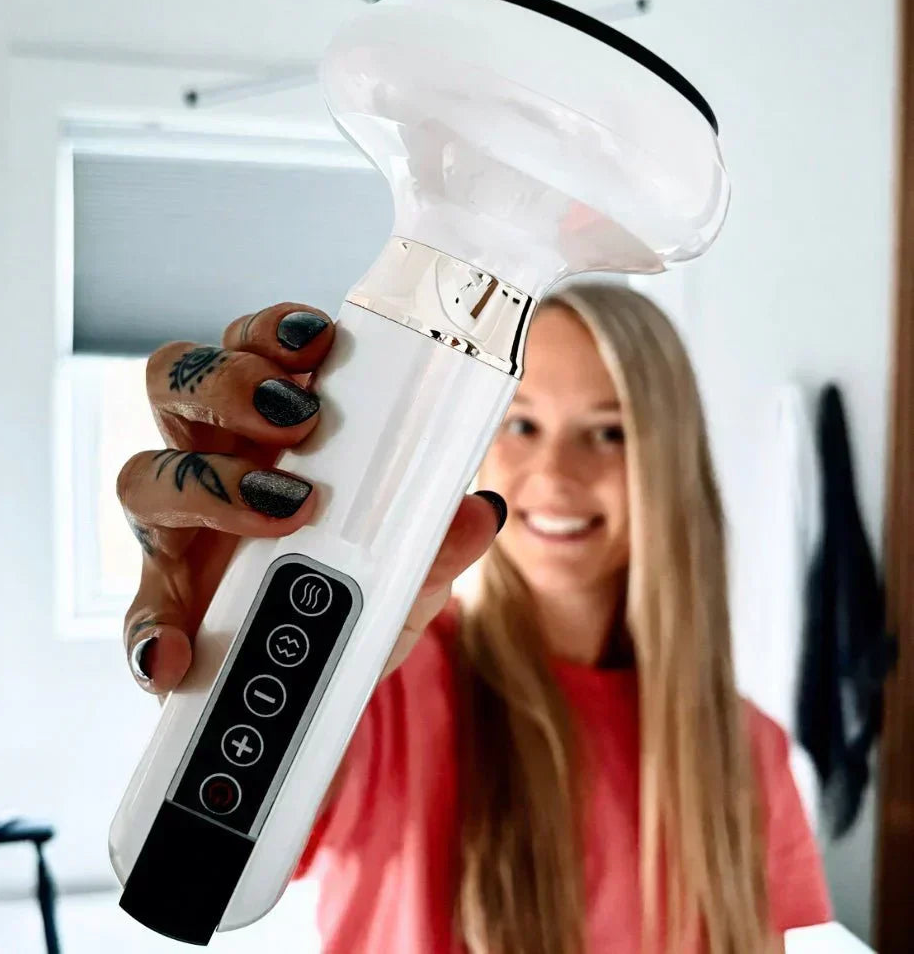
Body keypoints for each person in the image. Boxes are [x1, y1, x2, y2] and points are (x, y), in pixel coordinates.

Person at [116, 283, 832, 954]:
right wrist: (236, 636)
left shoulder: (747, 751)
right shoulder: (389, 680)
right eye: (522, 424)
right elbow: (192, 881)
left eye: (609, 433)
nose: (554, 474)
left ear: (670, 462)